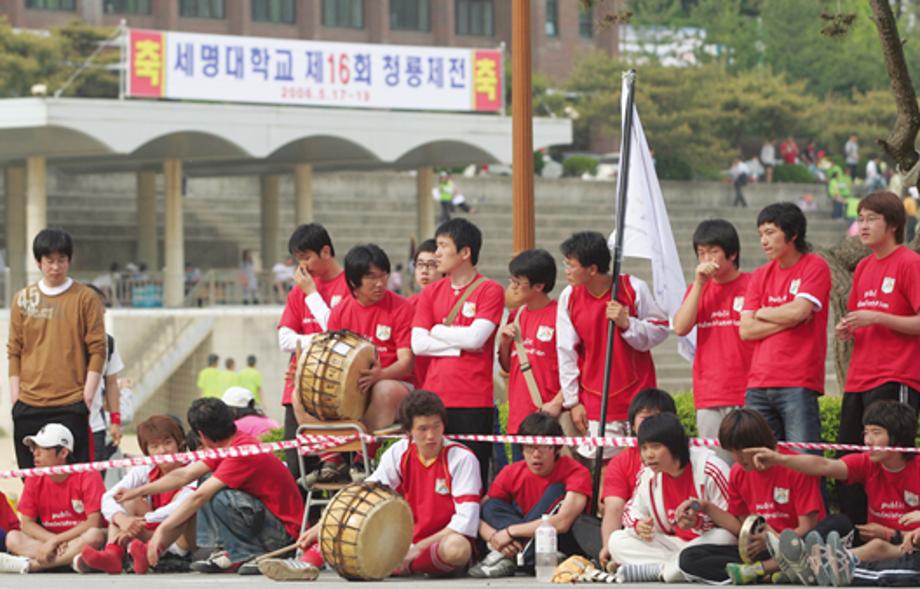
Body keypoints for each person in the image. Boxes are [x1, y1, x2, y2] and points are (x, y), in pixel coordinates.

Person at [282, 390, 481, 580]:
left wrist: (417, 549)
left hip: (438, 543)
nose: (431, 435)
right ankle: (307, 563)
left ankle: (397, 565)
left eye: (436, 426)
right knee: (356, 519)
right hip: (403, 542)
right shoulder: (399, 452)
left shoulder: (462, 458)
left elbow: (465, 523)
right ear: (408, 431)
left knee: (458, 548)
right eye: (422, 429)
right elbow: (366, 492)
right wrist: (322, 526)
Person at [113, 398, 304, 575]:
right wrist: (136, 492)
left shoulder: (241, 451)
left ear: (201, 435)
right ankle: (232, 551)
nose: (162, 451)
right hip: (268, 524)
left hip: (283, 535)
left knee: (213, 490)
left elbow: (199, 496)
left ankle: (250, 552)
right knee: (206, 483)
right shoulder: (229, 444)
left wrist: (162, 530)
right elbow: (184, 475)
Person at [746, 401, 920, 575]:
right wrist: (780, 459)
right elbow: (824, 465)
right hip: (871, 544)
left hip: (908, 547)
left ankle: (794, 567)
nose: (868, 441)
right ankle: (809, 565)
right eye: (866, 433)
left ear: (898, 437)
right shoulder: (867, 462)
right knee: (838, 522)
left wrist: (890, 534)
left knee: (877, 548)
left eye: (876, 433)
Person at [835, 192, 920, 524]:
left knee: (891, 462)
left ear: (894, 224)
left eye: (871, 219)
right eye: (860, 219)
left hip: (896, 375)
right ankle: (855, 534)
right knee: (850, 460)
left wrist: (878, 318)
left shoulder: (910, 263)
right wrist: (849, 328)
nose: (863, 226)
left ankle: (900, 538)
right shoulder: (863, 268)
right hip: (859, 378)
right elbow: (863, 317)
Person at [677, 409, 826, 585]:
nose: (737, 458)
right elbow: (741, 527)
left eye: (741, 450)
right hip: (761, 550)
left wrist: (772, 540)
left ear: (760, 443)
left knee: (836, 526)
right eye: (732, 451)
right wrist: (705, 507)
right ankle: (775, 571)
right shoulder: (738, 473)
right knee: (689, 558)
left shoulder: (794, 466)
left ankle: (765, 570)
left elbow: (807, 527)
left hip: (797, 544)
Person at [556, 231, 669, 461]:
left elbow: (660, 330)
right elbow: (566, 352)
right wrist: (573, 402)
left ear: (592, 269)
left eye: (571, 265)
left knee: (645, 463)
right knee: (602, 470)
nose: (566, 270)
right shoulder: (569, 297)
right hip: (596, 398)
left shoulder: (633, 288)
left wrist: (628, 324)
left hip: (639, 395)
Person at [411, 219, 504, 485]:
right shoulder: (431, 292)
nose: (436, 253)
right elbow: (418, 344)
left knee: (472, 479)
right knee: (434, 478)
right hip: (434, 398)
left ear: (465, 252)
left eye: (443, 246)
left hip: (472, 399)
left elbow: (476, 338)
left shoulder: (490, 290)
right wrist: (457, 347)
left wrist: (437, 330)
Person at [315, 244, 416, 483]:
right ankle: (332, 458)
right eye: (371, 277)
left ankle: (363, 457)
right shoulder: (340, 312)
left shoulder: (402, 307)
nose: (380, 283)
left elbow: (407, 364)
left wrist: (378, 376)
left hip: (397, 387)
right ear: (353, 281)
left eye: (384, 276)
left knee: (384, 389)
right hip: (355, 388)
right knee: (302, 395)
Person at [7, 228, 106, 468]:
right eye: (49, 261)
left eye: (61, 260)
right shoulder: (23, 298)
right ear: (38, 262)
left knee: (74, 475)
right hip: (29, 403)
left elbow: (98, 349)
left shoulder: (85, 298)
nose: (55, 267)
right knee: (31, 478)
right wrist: (15, 398)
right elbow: (14, 350)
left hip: (71, 402)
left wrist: (87, 396)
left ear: (69, 260)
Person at [739, 203, 830, 449]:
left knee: (803, 462)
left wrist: (763, 313)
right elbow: (746, 330)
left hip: (798, 381)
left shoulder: (815, 266)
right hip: (758, 383)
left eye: (770, 232)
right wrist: (789, 319)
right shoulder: (760, 274)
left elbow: (799, 311)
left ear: (792, 233)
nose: (764, 241)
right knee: (762, 461)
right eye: (760, 235)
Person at [606, 413, 733, 583]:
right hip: (676, 546)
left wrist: (698, 522)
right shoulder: (648, 475)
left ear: (674, 446)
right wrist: (638, 525)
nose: (648, 455)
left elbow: (733, 524)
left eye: (656, 447)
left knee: (725, 537)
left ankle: (662, 569)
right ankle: (672, 568)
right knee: (616, 541)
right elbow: (630, 512)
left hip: (707, 543)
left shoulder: (710, 469)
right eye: (643, 448)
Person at [470, 412, 592, 578]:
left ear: (556, 448)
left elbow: (563, 522)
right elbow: (479, 512)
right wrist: (493, 537)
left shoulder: (576, 472)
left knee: (556, 491)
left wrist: (510, 532)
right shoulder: (512, 472)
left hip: (562, 539)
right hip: (530, 536)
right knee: (492, 506)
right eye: (529, 447)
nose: (536, 454)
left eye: (543, 447)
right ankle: (521, 556)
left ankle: (511, 558)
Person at [75, 416, 196, 574]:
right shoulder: (146, 468)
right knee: (126, 499)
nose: (162, 451)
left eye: (168, 443)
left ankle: (143, 553)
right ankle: (113, 554)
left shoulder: (193, 466)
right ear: (147, 451)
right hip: (151, 530)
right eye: (154, 446)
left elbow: (183, 505)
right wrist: (122, 520)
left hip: (181, 540)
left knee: (185, 507)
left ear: (179, 443)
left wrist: (141, 522)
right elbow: (109, 497)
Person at [276, 223, 350, 479]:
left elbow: (343, 336)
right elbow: (285, 339)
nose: (303, 266)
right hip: (297, 387)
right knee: (298, 472)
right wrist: (323, 339)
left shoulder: (349, 285)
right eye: (298, 259)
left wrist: (312, 295)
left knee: (340, 476)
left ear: (326, 252)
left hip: (339, 390)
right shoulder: (300, 289)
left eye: (307, 258)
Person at [673, 220, 752, 453]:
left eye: (713, 252)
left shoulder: (753, 284)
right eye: (701, 253)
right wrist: (699, 284)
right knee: (717, 464)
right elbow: (680, 327)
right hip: (710, 392)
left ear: (732, 253)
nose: (707, 259)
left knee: (750, 464)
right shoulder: (697, 290)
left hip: (748, 390)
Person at [0, 424, 106, 574]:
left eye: (42, 448)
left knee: (95, 535)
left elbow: (94, 522)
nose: (35, 453)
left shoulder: (88, 475)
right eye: (33, 448)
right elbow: (27, 524)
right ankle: (71, 562)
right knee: (12, 538)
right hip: (48, 543)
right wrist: (51, 540)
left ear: (63, 452)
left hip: (78, 538)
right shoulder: (34, 477)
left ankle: (35, 566)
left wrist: (57, 541)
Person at [598, 388, 677, 570]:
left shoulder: (685, 456)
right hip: (646, 537)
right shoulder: (621, 462)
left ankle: (659, 566)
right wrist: (608, 547)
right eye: (645, 417)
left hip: (684, 533)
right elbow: (614, 508)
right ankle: (679, 563)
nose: (651, 423)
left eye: (658, 417)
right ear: (632, 425)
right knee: (616, 541)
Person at [498, 249, 561, 461]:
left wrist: (558, 402)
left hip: (549, 419)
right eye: (512, 281)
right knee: (522, 485)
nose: (513, 288)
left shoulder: (560, 316)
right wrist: (504, 343)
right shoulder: (516, 316)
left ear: (539, 286)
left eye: (518, 282)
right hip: (519, 422)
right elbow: (508, 367)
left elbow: (578, 366)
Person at [85, 284, 124, 463]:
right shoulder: (58, 340)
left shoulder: (108, 343)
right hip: (64, 423)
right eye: (98, 306)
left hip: (95, 427)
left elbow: (111, 383)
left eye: (102, 306)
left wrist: (115, 420)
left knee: (93, 484)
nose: (103, 312)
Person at [408, 239, 442, 386]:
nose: (424, 270)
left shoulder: (450, 304)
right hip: (414, 385)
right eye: (420, 264)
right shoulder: (407, 305)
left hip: (442, 382)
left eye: (431, 265)